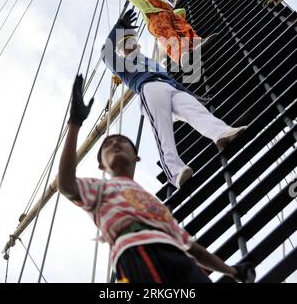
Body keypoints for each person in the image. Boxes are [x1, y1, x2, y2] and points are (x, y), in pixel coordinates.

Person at [58, 74, 255, 283]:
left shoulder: (152, 202)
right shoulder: (98, 188)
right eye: (107, 145)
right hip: (135, 253)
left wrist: (232, 272)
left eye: (122, 141)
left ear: (137, 157)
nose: (115, 144)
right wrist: (75, 123)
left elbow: (191, 247)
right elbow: (67, 185)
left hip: (179, 259)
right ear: (101, 166)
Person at [101, 9, 248, 188]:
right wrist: (119, 27)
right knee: (163, 132)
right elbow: (105, 53)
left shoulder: (152, 62)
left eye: (132, 42)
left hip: (170, 87)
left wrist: (192, 95)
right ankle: (175, 172)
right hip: (148, 89)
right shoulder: (123, 66)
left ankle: (221, 134)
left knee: (195, 109)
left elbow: (170, 80)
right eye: (125, 45)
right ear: (122, 51)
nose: (130, 46)